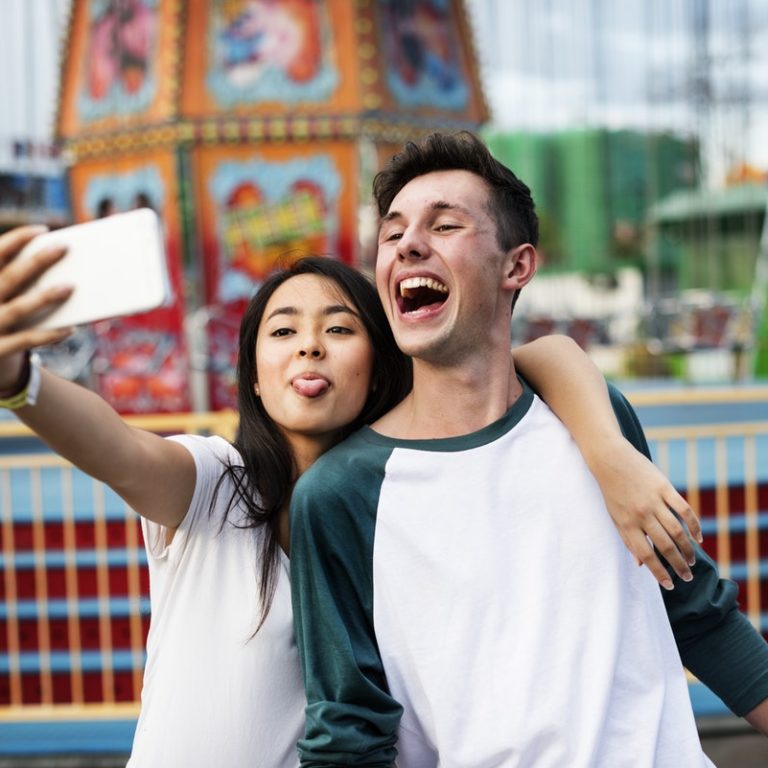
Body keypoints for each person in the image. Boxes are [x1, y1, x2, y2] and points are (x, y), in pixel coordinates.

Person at [0, 224, 700, 766]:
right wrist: (18, 379)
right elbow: (119, 451)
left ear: (381, 364)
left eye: (339, 329)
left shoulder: (405, 505)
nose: (309, 346)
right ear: (253, 374)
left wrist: (609, 450)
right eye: (283, 332)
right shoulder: (215, 484)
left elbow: (522, 362)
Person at [289, 131, 768, 766]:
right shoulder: (340, 493)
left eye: (446, 224)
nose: (407, 244)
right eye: (393, 232)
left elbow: (697, 613)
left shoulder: (597, 426)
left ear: (518, 266)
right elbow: (349, 728)